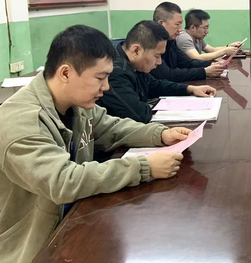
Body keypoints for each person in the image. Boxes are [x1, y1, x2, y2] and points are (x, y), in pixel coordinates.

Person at [0, 25, 195, 263]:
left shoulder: (75, 103)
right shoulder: (22, 123)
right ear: (65, 73)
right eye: (100, 78)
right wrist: (143, 167)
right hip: (34, 247)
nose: (106, 87)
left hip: (75, 221)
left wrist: (160, 134)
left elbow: (111, 127)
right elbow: (62, 181)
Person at [97, 21, 216, 123]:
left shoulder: (135, 64)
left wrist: (190, 89)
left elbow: (154, 85)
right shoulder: (115, 72)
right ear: (136, 50)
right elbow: (139, 115)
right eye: (157, 56)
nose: (159, 62)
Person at [151, 2, 224, 81]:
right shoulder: (150, 43)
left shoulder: (171, 41)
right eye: (177, 24)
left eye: (181, 24)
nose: (180, 29)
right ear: (161, 23)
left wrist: (211, 64)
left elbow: (187, 63)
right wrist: (204, 72)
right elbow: (168, 74)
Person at [176, 9, 242, 61]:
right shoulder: (184, 37)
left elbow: (212, 50)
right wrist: (225, 51)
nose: (207, 32)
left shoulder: (198, 38)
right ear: (193, 27)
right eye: (205, 28)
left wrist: (228, 47)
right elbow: (197, 57)